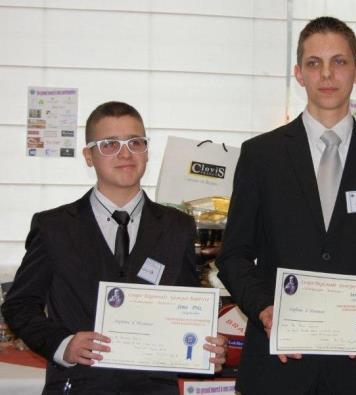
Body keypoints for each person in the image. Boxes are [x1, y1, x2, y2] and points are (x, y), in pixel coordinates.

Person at [216, 16, 356, 395]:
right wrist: (263, 310)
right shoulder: (261, 156)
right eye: (314, 63)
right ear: (298, 73)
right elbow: (235, 255)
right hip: (278, 364)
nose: (327, 74)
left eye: (339, 61)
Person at [2, 101, 227, 394]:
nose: (125, 153)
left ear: (147, 150)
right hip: (79, 385)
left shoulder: (177, 226)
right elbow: (19, 305)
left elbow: (185, 305)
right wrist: (63, 344)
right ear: (88, 156)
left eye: (136, 142)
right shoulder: (54, 227)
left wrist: (205, 347)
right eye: (109, 144)